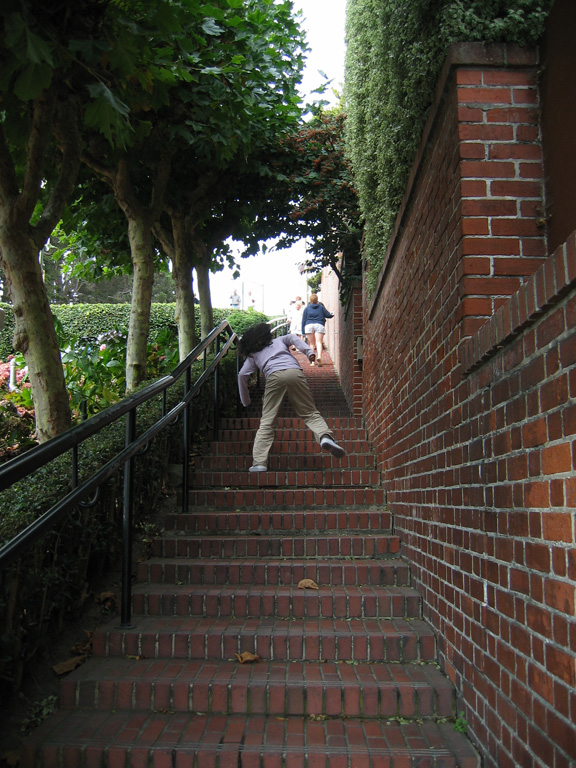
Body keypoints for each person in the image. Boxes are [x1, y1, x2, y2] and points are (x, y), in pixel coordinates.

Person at [238, 322, 346, 472]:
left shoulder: (253, 354)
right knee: (309, 413)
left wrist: (246, 401)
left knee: (267, 422)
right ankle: (324, 436)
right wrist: (309, 352)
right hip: (294, 372)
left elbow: (242, 375)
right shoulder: (278, 340)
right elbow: (292, 337)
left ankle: (259, 463)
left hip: (274, 377)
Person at [301, 293, 333, 366]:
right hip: (319, 324)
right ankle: (319, 357)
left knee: (311, 344)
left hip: (309, 325)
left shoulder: (307, 308)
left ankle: (312, 362)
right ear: (317, 300)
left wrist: (303, 331)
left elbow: (303, 320)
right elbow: (328, 315)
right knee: (319, 342)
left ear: (310, 300)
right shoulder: (321, 307)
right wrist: (332, 314)